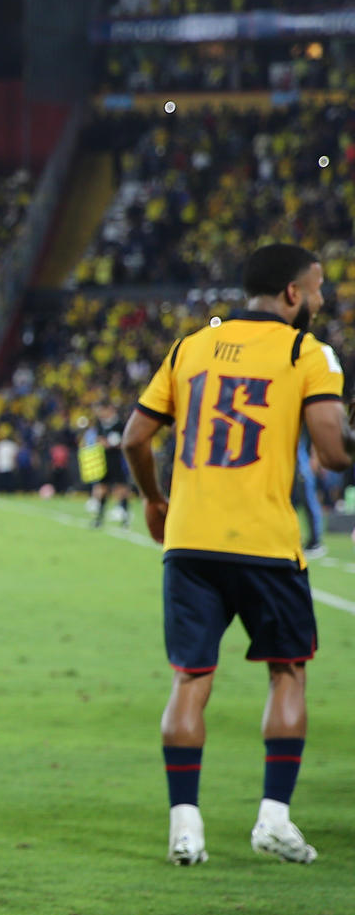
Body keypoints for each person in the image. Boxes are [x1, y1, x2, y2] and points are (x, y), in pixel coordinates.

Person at [120, 244, 352, 867]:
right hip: (266, 545)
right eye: (320, 288)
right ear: (293, 294)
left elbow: (136, 436)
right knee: (288, 670)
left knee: (191, 679)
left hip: (189, 541)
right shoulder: (308, 353)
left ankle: (185, 827)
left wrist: (152, 498)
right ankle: (273, 818)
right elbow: (332, 453)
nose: (324, 299)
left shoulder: (191, 347)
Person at [81, 404, 131, 528]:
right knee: (102, 488)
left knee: (120, 488)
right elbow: (97, 440)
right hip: (103, 462)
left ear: (110, 409)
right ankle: (99, 519)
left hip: (117, 461)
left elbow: (125, 441)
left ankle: (125, 518)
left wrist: (110, 444)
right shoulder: (100, 425)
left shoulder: (120, 425)